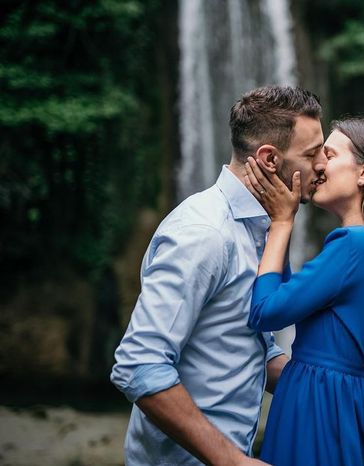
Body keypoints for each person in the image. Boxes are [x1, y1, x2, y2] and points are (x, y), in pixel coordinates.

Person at [110, 86, 327, 465]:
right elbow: (139, 364)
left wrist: (344, 399)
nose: (324, 164)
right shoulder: (205, 234)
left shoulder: (261, 230)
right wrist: (233, 461)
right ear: (269, 159)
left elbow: (254, 351)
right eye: (312, 154)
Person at [244, 118, 364, 466]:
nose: (319, 165)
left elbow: (265, 310)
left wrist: (282, 222)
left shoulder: (354, 244)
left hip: (319, 404)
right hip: (343, 395)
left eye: (329, 154)